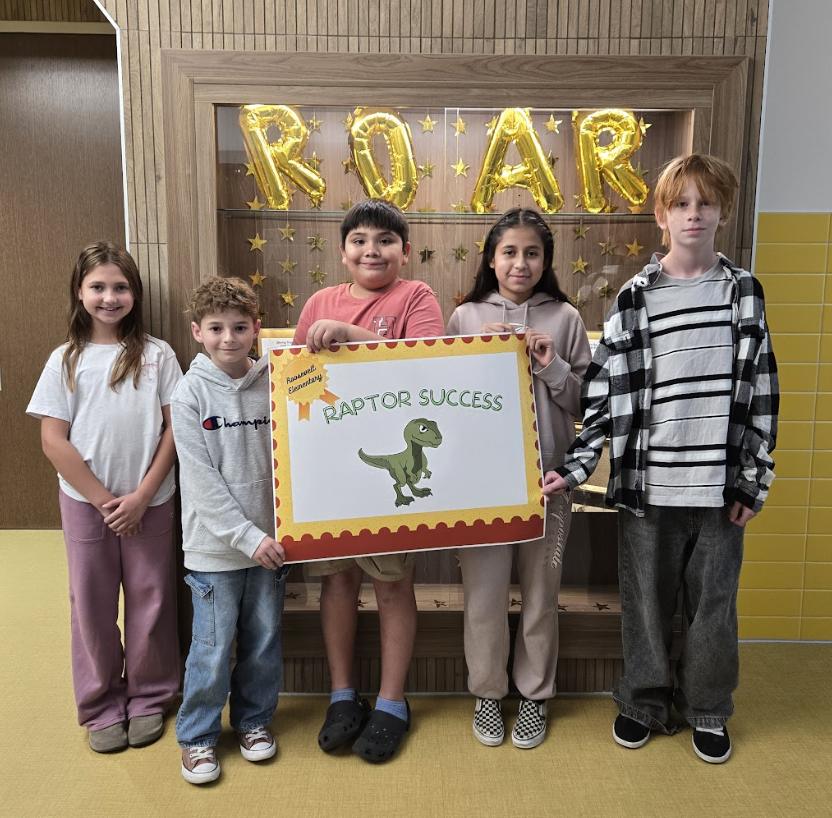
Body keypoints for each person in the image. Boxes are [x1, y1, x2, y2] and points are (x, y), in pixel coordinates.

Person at [543, 153, 779, 764]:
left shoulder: (744, 292)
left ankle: (707, 707)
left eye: (705, 203)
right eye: (681, 204)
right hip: (649, 485)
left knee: (713, 608)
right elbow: (603, 395)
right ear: (662, 216)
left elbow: (763, 393)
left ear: (723, 212)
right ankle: (643, 702)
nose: (693, 214)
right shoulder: (633, 299)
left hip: (720, 487)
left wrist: (753, 481)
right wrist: (572, 469)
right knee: (644, 604)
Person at [293, 198, 445, 763]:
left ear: (404, 251)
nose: (372, 250)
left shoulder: (417, 297)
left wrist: (351, 337)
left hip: (388, 487)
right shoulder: (318, 302)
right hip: (331, 473)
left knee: (391, 583)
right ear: (342, 251)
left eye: (385, 240)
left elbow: (429, 363)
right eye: (360, 240)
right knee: (334, 583)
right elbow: (297, 385)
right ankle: (341, 694)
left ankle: (391, 701)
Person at [27, 242, 182, 753]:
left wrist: (141, 496)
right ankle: (99, 704)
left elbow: (175, 431)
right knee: (91, 603)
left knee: (151, 599)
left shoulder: (159, 355)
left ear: (135, 294)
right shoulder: (64, 359)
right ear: (80, 292)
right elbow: (54, 440)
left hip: (151, 501)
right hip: (85, 503)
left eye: (120, 287)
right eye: (98, 287)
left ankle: (150, 697)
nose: (109, 297)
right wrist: (103, 501)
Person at [446, 208, 591, 749]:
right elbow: (444, 401)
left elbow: (584, 402)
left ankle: (534, 694)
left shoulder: (566, 318)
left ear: (546, 260)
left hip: (549, 481)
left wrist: (551, 365)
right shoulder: (464, 317)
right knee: (482, 594)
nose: (520, 263)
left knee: (540, 593)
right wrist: (472, 355)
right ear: (491, 258)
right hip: (481, 483)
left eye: (532, 252)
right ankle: (487, 691)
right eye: (509, 252)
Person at [172, 276, 288, 784]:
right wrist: (247, 538)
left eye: (240, 327)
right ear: (197, 331)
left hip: (274, 545)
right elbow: (199, 483)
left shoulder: (278, 379)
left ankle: (254, 722)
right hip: (216, 550)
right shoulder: (188, 393)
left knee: (263, 641)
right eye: (216, 328)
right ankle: (197, 736)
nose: (229, 338)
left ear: (256, 329)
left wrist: (272, 534)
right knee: (213, 648)